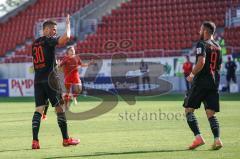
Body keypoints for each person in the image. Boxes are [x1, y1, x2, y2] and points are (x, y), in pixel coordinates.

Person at [31, 14, 80, 149]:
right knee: (60, 108)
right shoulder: (48, 40)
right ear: (45, 30)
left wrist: (54, 64)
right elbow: (66, 38)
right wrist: (68, 25)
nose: (54, 32)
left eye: (55, 30)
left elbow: (41, 60)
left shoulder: (35, 43)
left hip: (38, 80)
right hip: (51, 80)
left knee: (39, 110)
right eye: (53, 29)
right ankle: (66, 139)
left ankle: (35, 141)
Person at [183, 21, 223, 150]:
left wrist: (191, 75)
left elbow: (201, 62)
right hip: (213, 83)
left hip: (200, 83)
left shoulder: (202, 44)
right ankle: (217, 140)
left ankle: (198, 138)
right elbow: (219, 66)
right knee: (211, 113)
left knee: (188, 110)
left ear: (205, 31)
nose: (199, 32)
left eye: (200, 29)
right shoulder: (218, 46)